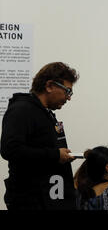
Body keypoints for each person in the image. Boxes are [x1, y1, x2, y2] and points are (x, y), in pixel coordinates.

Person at [1, 62, 79, 210]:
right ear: (49, 86)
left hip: (49, 197)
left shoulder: (45, 113)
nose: (68, 98)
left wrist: (60, 155)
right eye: (67, 91)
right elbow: (9, 149)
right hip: (31, 201)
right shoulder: (21, 110)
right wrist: (55, 155)